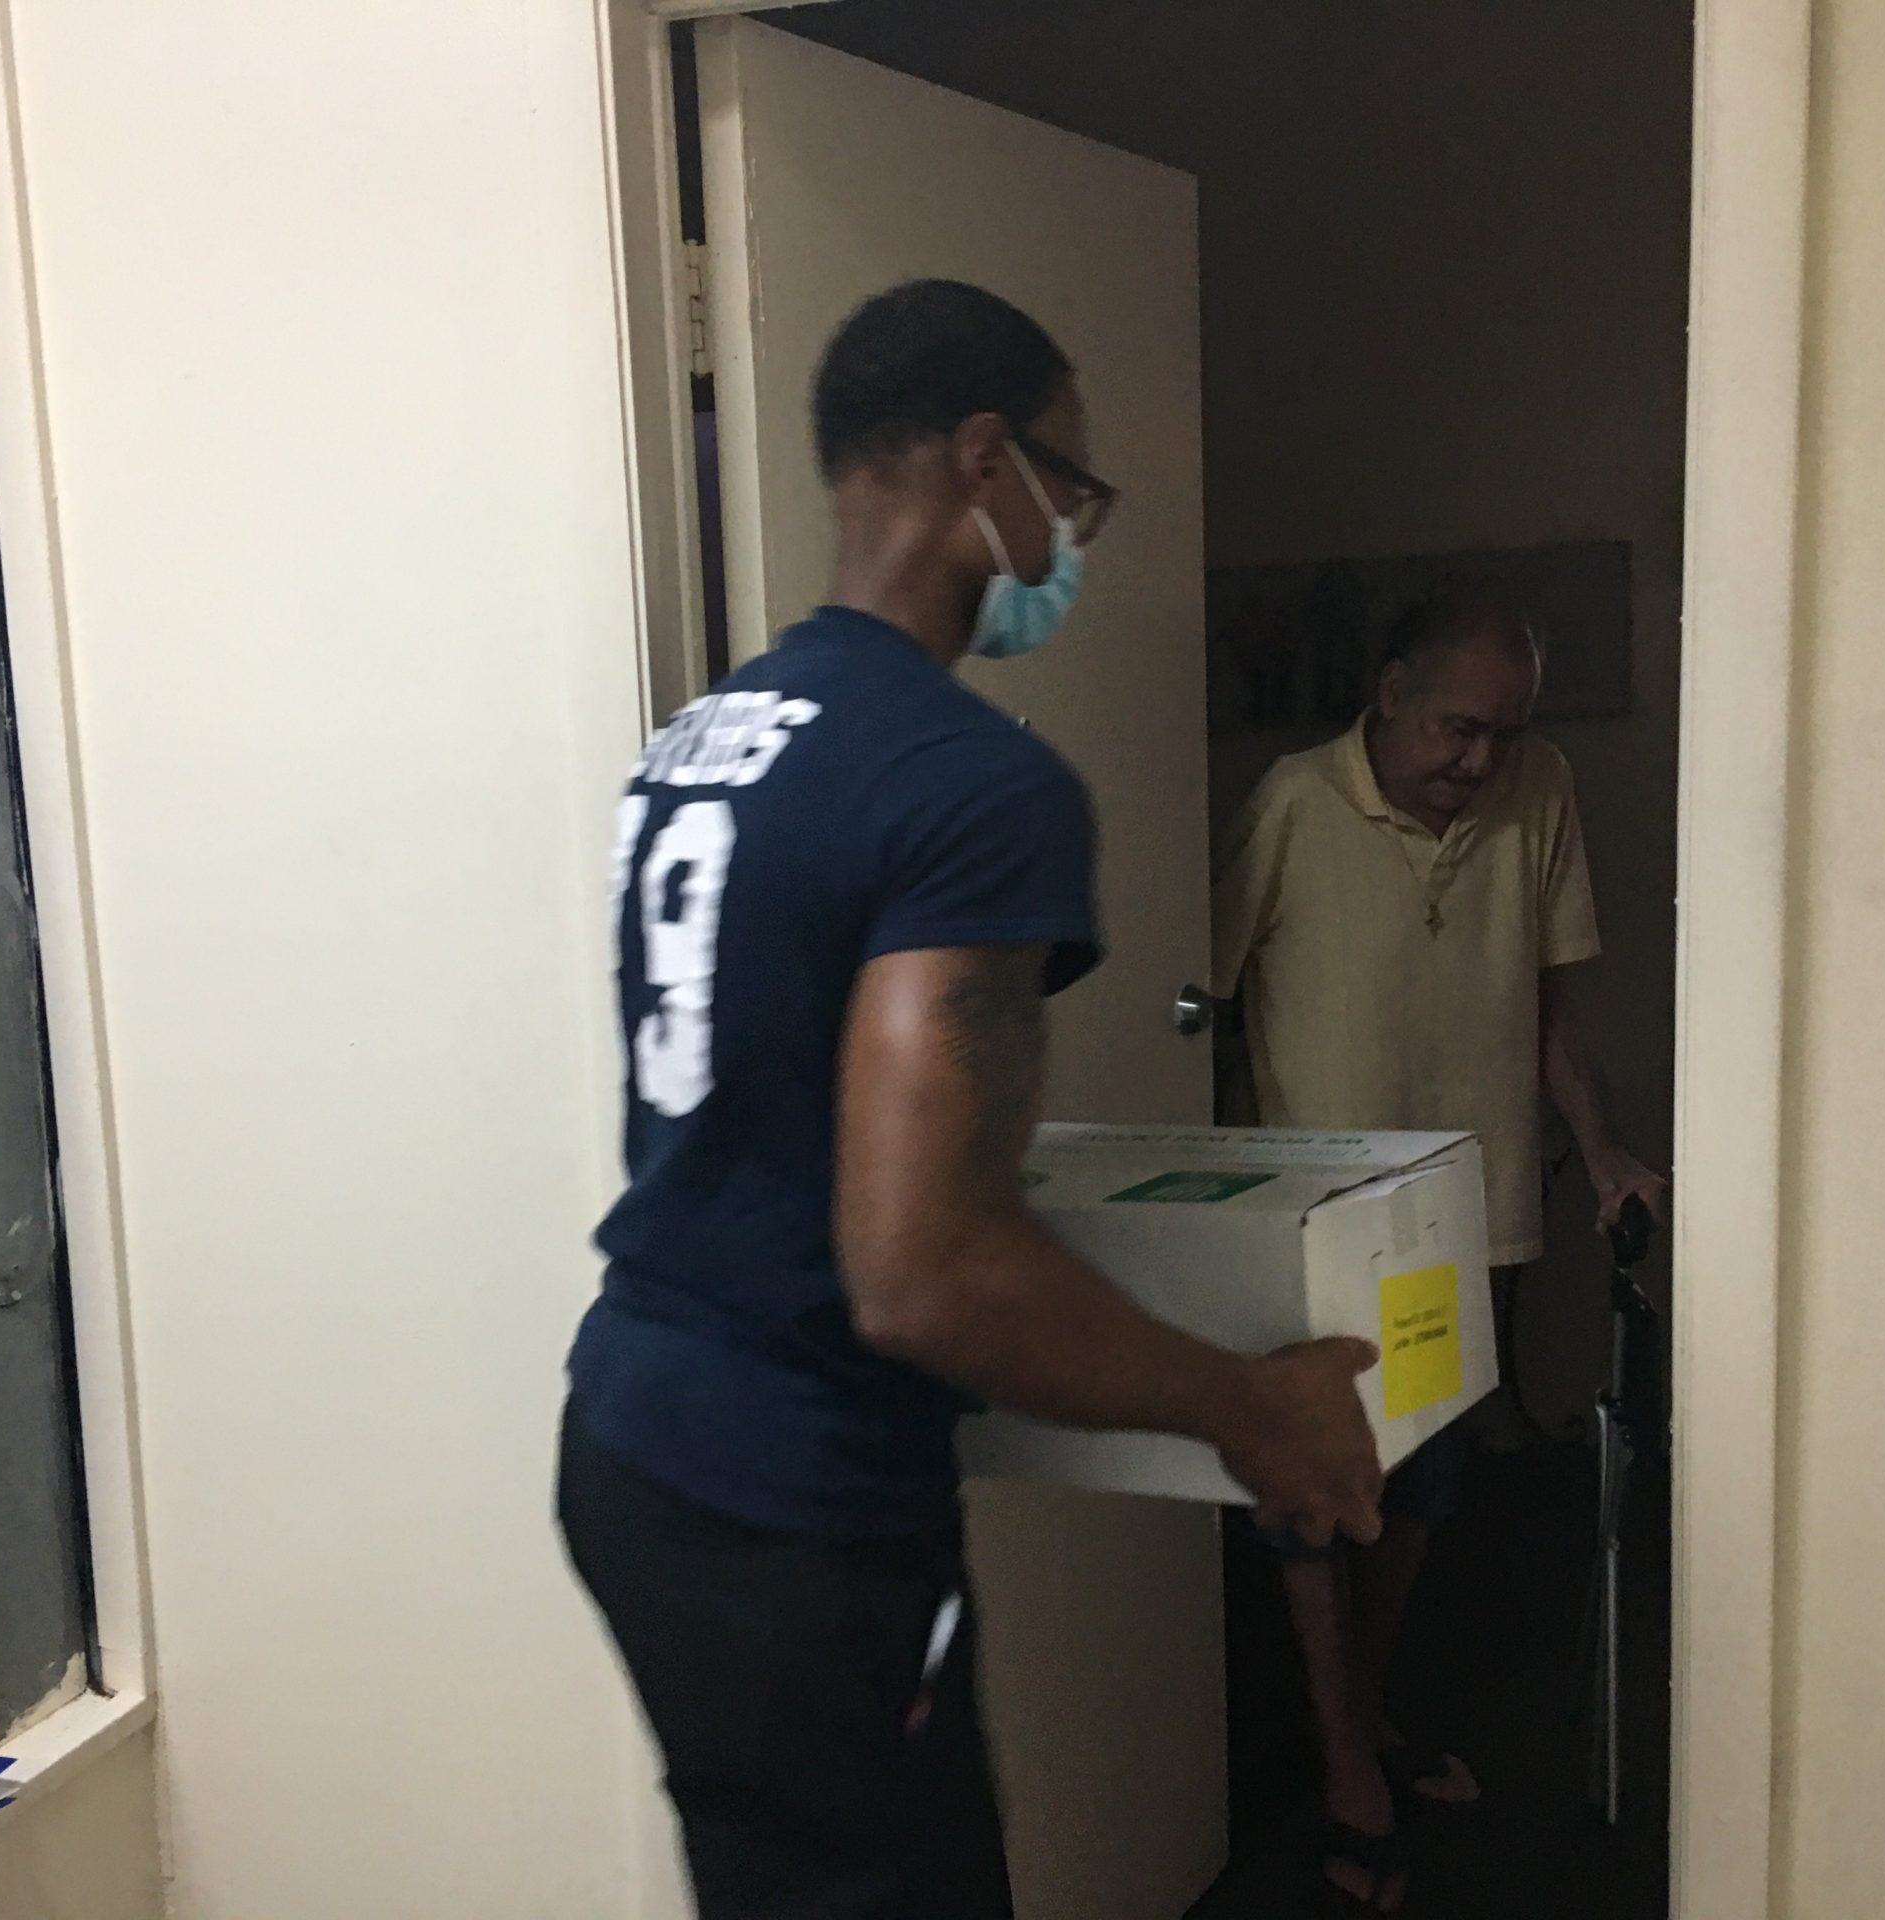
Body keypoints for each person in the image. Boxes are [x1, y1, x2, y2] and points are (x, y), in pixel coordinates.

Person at [558, 279, 1389, 1920]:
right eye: (1075, 491)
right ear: (987, 461)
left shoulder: (702, 739)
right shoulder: (969, 784)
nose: (1076, 537)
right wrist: (1253, 1407)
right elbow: (924, 1269)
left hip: (636, 1442)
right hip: (796, 1505)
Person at [1212, 587, 1668, 1910]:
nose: (1481, 759)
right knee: (1312, 1480)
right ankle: (1347, 1755)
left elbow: (1546, 1006)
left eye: (1504, 733)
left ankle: (1355, 1713)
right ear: (1391, 692)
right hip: (1312, 1218)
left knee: (1424, 1477)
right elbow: (1209, 998)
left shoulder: (1541, 790)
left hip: (1460, 1208)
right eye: (1459, 729)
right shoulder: (1295, 802)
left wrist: (1606, 1152)